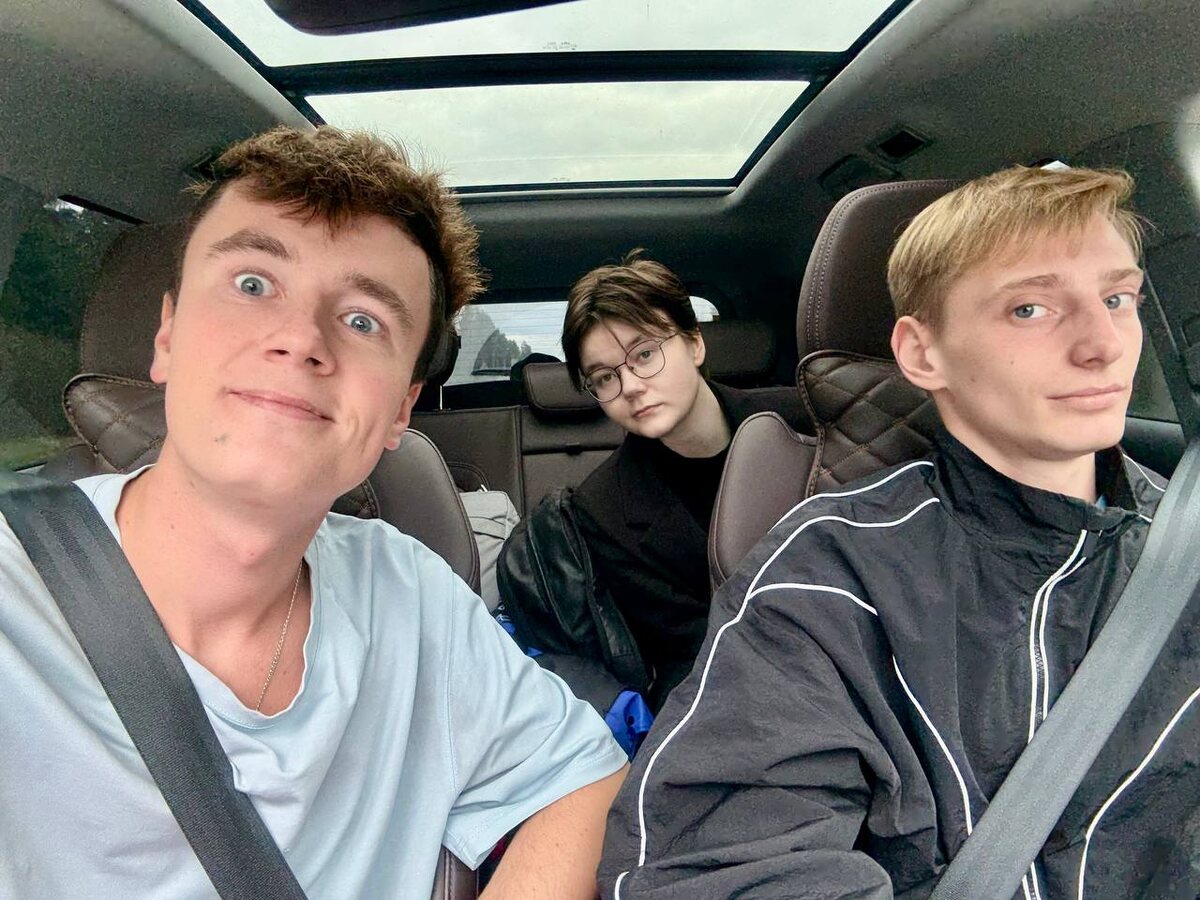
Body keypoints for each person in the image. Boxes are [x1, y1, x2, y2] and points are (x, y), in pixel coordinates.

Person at [0, 126, 627, 899]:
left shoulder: (408, 590)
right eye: (252, 283)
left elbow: (585, 774)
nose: (300, 340)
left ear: (400, 411)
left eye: (364, 320)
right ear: (168, 335)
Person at [598, 166, 1199, 899]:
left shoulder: (1184, 541)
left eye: (1117, 299)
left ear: (694, 345)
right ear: (922, 353)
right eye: (1030, 309)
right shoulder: (825, 577)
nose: (1103, 343)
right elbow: (717, 864)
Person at [563, 253, 777, 711]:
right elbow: (693, 648)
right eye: (605, 377)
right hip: (738, 694)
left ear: (694, 344)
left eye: (644, 354)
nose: (630, 386)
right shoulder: (602, 509)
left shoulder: (803, 426)